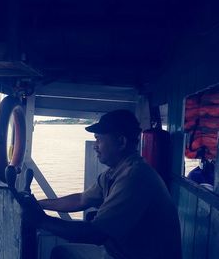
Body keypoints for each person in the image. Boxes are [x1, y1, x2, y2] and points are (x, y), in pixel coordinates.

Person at [20, 109, 182, 259]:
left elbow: (96, 233)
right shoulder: (115, 172)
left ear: (121, 142)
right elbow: (81, 200)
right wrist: (38, 204)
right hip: (120, 253)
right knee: (61, 253)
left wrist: (41, 221)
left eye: (99, 139)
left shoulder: (134, 177)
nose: (95, 146)